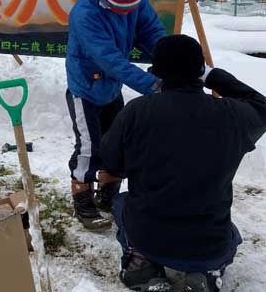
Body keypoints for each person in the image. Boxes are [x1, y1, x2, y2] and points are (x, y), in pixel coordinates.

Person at [101, 35, 266, 291]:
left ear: (158, 74)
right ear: (200, 71)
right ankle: (205, 271)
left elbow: (111, 163)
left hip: (149, 234)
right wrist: (215, 77)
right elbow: (262, 107)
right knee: (230, 233)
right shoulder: (234, 115)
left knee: (121, 202)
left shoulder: (136, 111)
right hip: (208, 240)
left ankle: (142, 265)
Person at [65, 0, 165, 230]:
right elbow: (109, 60)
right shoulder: (85, 12)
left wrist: (171, 60)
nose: (124, 14)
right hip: (85, 86)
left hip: (110, 86)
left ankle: (109, 194)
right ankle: (82, 197)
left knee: (117, 142)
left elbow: (152, 32)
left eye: (128, 10)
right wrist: (153, 86)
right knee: (88, 146)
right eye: (118, 10)